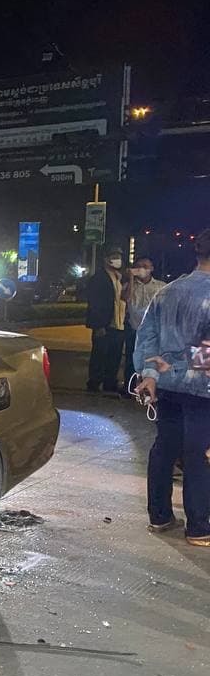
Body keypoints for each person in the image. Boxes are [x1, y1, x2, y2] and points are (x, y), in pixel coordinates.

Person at [134, 229, 210, 546]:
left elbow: (147, 338)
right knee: (199, 453)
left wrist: (150, 374)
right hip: (203, 389)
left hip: (166, 386)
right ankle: (199, 527)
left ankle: (160, 516)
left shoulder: (167, 291)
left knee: (165, 447)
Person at [85, 247, 126, 392]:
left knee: (115, 356)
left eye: (119, 256)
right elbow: (95, 303)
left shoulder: (119, 277)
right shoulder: (99, 278)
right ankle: (94, 383)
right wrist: (98, 325)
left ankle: (110, 383)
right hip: (104, 324)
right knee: (99, 355)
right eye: (114, 256)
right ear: (106, 259)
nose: (117, 259)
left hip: (118, 323)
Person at [124, 256, 165, 382]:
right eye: (138, 266)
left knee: (151, 360)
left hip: (153, 332)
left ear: (152, 268)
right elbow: (126, 298)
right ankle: (130, 385)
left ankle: (150, 385)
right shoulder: (129, 285)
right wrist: (131, 278)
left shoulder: (161, 286)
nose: (142, 269)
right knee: (131, 360)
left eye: (145, 266)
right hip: (134, 329)